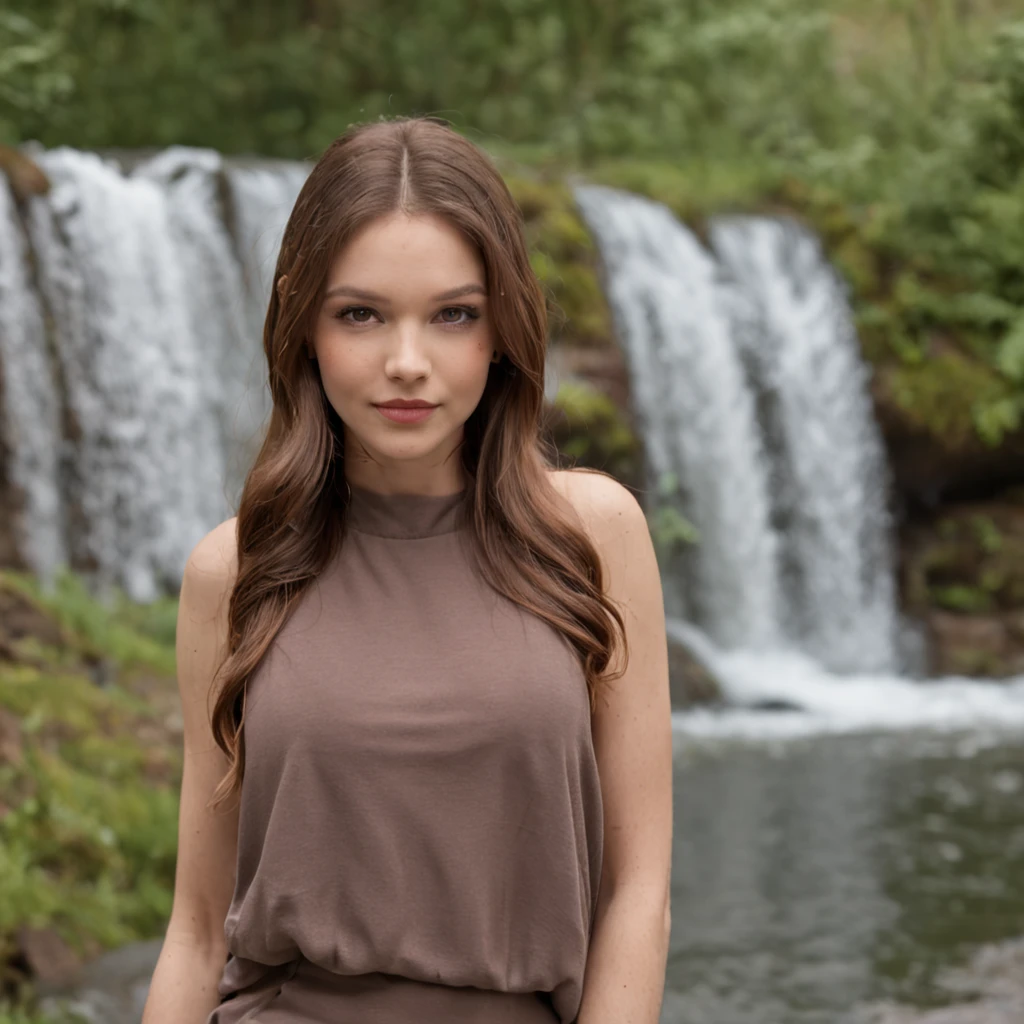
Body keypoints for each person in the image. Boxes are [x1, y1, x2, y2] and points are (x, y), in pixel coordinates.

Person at [141, 115, 673, 1024]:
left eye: (453, 315)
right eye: (361, 315)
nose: (407, 365)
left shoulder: (592, 533)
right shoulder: (233, 572)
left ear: (502, 326)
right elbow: (196, 931)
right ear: (302, 323)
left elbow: (640, 898)